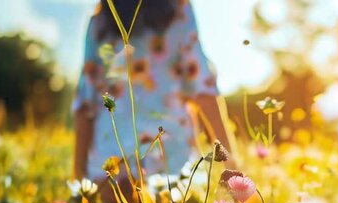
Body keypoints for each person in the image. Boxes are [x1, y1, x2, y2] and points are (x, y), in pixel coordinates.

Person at [73, 0, 231, 182]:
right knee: (171, 193)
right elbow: (202, 88)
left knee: (120, 191)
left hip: (112, 158)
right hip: (172, 159)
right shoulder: (179, 10)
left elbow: (85, 104)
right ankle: (144, 193)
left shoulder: (100, 21)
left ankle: (123, 191)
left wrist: (79, 177)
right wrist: (232, 163)